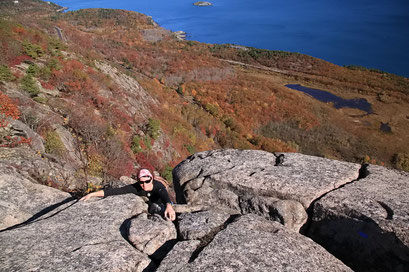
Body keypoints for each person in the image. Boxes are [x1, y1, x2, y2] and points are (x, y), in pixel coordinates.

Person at [80, 168, 176, 221]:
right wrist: (92, 194)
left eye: (147, 181)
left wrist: (169, 206)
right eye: (141, 182)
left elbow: (164, 195)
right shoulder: (136, 187)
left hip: (166, 204)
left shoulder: (158, 185)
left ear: (151, 179)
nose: (144, 184)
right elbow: (115, 191)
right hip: (153, 207)